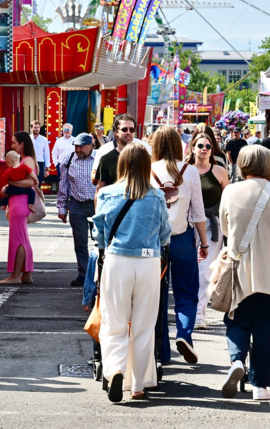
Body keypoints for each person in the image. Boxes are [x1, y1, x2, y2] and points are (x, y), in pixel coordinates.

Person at [219, 146, 270, 401]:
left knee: (237, 321)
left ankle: (236, 361)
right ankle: (260, 387)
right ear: (269, 164)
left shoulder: (230, 192)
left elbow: (224, 228)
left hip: (240, 271)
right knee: (267, 329)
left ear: (241, 164)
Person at [93, 144, 171, 402]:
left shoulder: (107, 193)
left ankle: (115, 370)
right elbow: (164, 233)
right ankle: (138, 384)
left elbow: (99, 233)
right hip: (148, 262)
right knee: (144, 325)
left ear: (122, 164)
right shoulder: (156, 195)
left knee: (114, 321)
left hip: (117, 260)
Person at [150, 126, 208, 366]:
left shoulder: (149, 169)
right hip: (183, 238)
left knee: (157, 295)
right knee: (186, 292)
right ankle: (184, 334)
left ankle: (161, 350)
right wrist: (204, 243)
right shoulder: (191, 172)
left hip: (155, 240)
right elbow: (198, 213)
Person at [188, 131, 230, 329]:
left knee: (205, 270)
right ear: (193, 148)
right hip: (188, 224)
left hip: (212, 224)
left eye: (208, 146)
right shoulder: (185, 170)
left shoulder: (219, 171)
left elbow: (228, 199)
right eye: (200, 146)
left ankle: (199, 315)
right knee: (190, 269)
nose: (204, 149)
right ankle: (188, 311)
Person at [0, 132, 38, 285]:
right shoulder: (27, 160)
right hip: (21, 202)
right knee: (23, 238)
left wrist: (10, 184)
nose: (12, 145)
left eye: (15, 143)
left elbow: (30, 182)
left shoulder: (26, 161)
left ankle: (15, 275)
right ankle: (26, 274)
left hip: (19, 202)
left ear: (22, 144)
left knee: (18, 239)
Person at [56, 132, 96, 286]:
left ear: (90, 146)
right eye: (76, 146)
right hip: (76, 204)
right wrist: (61, 207)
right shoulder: (69, 159)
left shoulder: (99, 158)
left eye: (81, 147)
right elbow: (63, 183)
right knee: (80, 241)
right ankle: (83, 274)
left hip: (96, 204)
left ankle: (100, 273)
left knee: (100, 241)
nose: (78, 150)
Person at [93, 113, 150, 189]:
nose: (128, 132)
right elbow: (94, 179)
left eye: (132, 129)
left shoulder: (144, 148)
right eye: (124, 129)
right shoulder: (105, 150)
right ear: (116, 132)